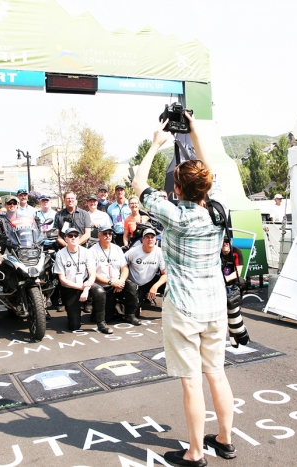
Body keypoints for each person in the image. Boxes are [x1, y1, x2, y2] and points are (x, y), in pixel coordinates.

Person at [133, 114, 237, 464]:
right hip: (214, 304)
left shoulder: (173, 214)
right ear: (206, 185)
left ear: (177, 189)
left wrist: (155, 144)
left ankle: (195, 452)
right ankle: (224, 439)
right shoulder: (219, 207)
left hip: (183, 307)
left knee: (192, 381)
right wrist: (194, 130)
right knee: (217, 373)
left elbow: (138, 183)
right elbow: (210, 167)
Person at [52, 227, 113, 334]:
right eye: (70, 236)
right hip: (70, 287)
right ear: (65, 238)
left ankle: (101, 323)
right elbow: (62, 280)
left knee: (99, 291)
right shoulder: (60, 255)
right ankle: (73, 315)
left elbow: (92, 274)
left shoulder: (87, 252)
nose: (73, 238)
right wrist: (80, 287)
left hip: (86, 284)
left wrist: (85, 289)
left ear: (79, 237)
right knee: (74, 326)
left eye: (76, 235)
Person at [90, 225, 141, 325]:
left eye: (110, 234)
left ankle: (130, 315)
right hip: (103, 286)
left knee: (132, 286)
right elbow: (92, 273)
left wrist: (121, 281)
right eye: (105, 233)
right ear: (99, 235)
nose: (108, 236)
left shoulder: (117, 248)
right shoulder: (92, 251)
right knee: (107, 319)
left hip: (118, 283)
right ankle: (110, 310)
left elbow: (124, 268)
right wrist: (111, 282)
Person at [124, 229, 167, 306]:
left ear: (155, 240)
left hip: (150, 281)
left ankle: (169, 310)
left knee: (170, 285)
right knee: (134, 313)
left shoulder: (160, 252)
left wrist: (155, 286)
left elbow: (165, 274)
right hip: (135, 283)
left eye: (152, 237)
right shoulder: (133, 251)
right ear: (143, 239)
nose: (150, 239)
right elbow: (122, 264)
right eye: (147, 237)